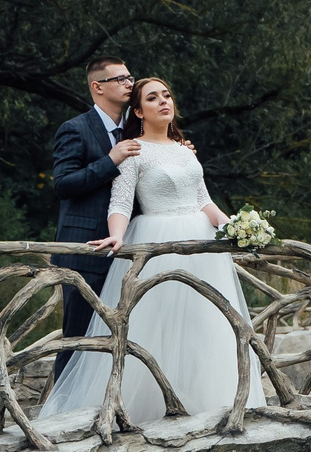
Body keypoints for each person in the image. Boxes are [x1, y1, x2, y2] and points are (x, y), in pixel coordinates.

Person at [39, 77, 266, 424]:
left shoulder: (185, 149)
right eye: (152, 97)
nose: (163, 101)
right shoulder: (133, 151)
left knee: (206, 323)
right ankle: (153, 405)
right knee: (158, 325)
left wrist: (236, 227)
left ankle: (213, 401)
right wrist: (116, 236)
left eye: (167, 95)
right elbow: (120, 202)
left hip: (201, 244)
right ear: (139, 111)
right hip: (159, 239)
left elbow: (203, 200)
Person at [49, 56, 141, 346]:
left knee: (124, 339)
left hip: (131, 251)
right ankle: (63, 394)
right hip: (84, 251)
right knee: (77, 339)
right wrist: (110, 160)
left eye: (130, 78)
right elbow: (63, 185)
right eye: (121, 79)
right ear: (97, 87)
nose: (130, 84)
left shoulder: (138, 130)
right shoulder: (75, 129)